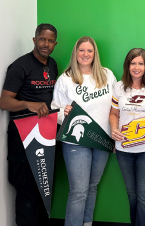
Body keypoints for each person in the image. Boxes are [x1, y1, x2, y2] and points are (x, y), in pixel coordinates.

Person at [51, 36, 117, 226]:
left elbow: (116, 107)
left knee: (92, 186)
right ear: (75, 53)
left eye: (89, 51)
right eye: (82, 50)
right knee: (78, 191)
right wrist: (63, 112)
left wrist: (115, 136)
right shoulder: (66, 79)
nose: (85, 54)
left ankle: (86, 225)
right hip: (75, 141)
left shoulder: (107, 75)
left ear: (95, 53)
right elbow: (55, 110)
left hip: (102, 140)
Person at [0, 23, 58, 226]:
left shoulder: (52, 65)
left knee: (44, 187)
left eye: (51, 41)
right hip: (22, 138)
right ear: (35, 40)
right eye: (42, 39)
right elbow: (4, 101)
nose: (46, 44)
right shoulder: (20, 66)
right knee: (26, 191)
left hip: (46, 136)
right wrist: (28, 104)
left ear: (55, 44)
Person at [109, 48, 145, 226]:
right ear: (128, 65)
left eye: (140, 63)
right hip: (124, 148)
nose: (137, 67)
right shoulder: (119, 86)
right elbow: (113, 113)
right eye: (133, 63)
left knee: (143, 195)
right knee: (131, 194)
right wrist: (113, 128)